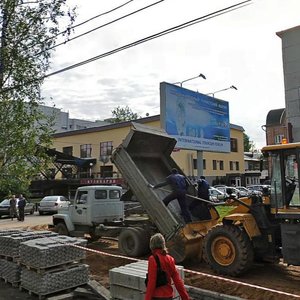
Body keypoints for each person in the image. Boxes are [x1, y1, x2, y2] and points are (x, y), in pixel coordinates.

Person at [145, 233, 190, 300]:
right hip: (169, 296)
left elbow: (151, 282)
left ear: (152, 245)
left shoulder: (152, 259)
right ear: (163, 244)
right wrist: (185, 298)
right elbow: (177, 281)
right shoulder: (170, 259)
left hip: (157, 297)